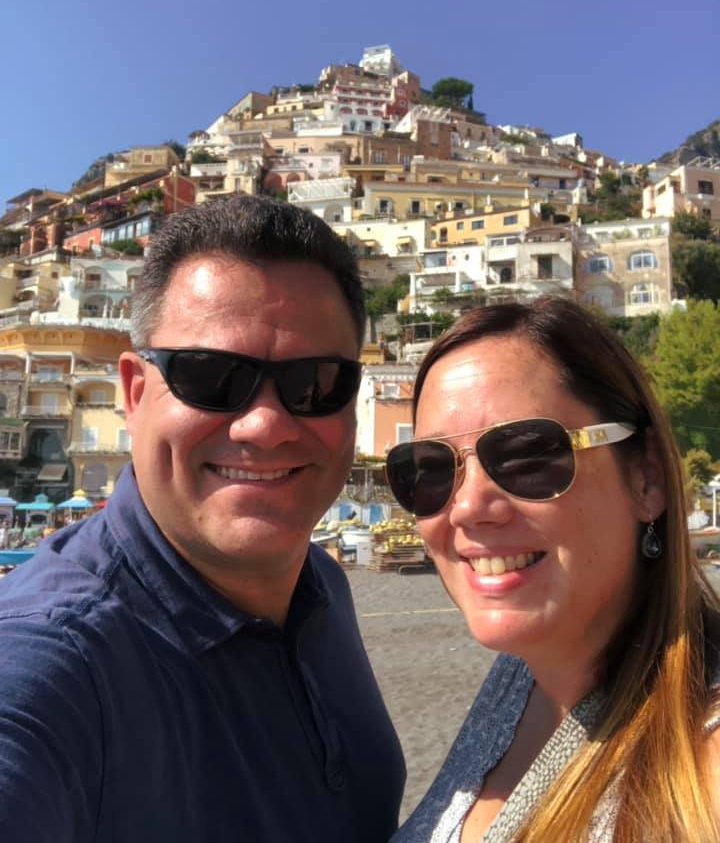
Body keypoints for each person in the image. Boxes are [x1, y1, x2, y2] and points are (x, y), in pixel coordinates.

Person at [0, 196, 405, 842]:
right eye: (211, 376)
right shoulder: (50, 665)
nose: (267, 426)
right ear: (135, 393)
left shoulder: (321, 584)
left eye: (316, 383)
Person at [385, 297, 720, 842]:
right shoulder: (518, 681)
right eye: (428, 469)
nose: (467, 506)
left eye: (527, 456)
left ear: (648, 478)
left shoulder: (704, 771)